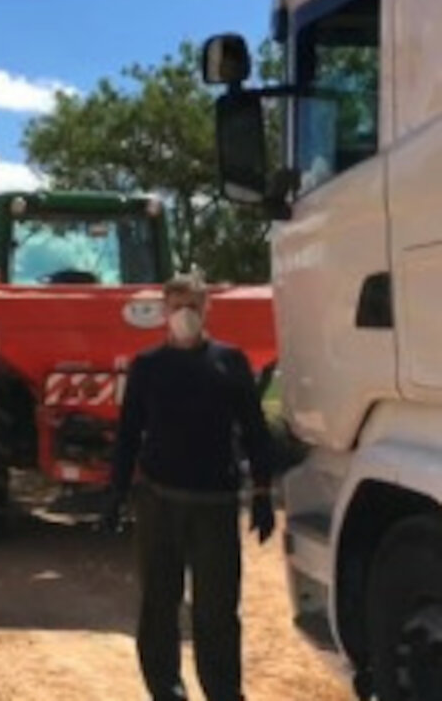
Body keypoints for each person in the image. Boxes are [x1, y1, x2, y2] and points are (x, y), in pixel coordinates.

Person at [105, 273, 275, 701]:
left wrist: (263, 494)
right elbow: (128, 434)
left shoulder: (230, 362)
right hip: (159, 502)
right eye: (178, 305)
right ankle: (166, 690)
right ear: (164, 311)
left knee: (217, 611)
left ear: (208, 309)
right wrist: (115, 493)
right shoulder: (147, 367)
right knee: (159, 606)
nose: (186, 314)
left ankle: (223, 692)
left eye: (194, 305)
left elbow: (255, 430)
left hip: (215, 504)